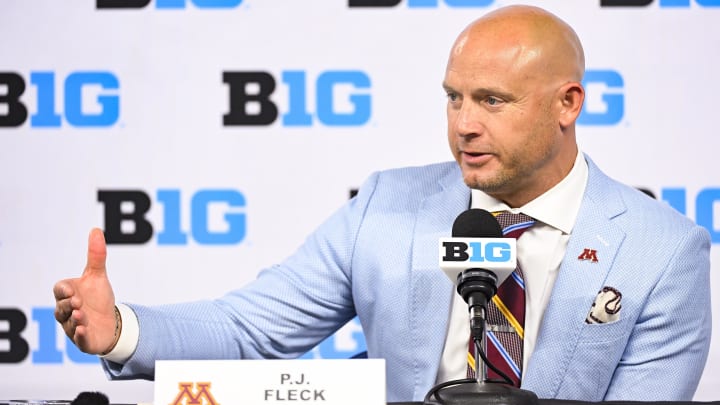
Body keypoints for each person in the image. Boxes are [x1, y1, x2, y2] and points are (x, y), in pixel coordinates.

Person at [53, 5, 712, 402]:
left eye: (492, 100)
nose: (463, 125)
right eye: (454, 97)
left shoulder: (663, 251)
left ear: (567, 104)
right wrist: (123, 331)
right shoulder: (385, 206)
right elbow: (251, 329)